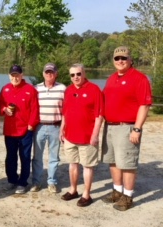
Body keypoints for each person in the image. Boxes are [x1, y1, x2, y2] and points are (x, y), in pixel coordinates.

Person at [101, 46, 152, 211]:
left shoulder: (139, 78)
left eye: (124, 58)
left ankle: (128, 196)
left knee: (128, 163)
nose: (120, 61)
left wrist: (137, 129)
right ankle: (117, 191)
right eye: (117, 58)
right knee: (113, 161)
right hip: (110, 126)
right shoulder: (111, 79)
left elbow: (144, 105)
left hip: (127, 126)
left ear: (131, 60)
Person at [59, 63, 103, 207]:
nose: (76, 77)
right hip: (70, 136)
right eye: (72, 75)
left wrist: (95, 135)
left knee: (87, 166)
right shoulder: (69, 90)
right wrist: (61, 130)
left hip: (87, 137)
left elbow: (99, 115)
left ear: (84, 74)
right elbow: (65, 113)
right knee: (72, 164)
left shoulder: (94, 89)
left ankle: (86, 194)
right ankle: (73, 190)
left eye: (78, 74)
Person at [0, 64, 39, 194]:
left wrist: (31, 125)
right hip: (10, 130)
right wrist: (4, 109)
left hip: (25, 130)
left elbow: (35, 109)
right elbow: (0, 105)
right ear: (9, 76)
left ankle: (22, 182)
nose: (15, 77)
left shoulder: (30, 89)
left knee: (25, 157)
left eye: (17, 75)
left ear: (22, 75)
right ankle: (12, 180)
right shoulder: (5, 89)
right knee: (10, 157)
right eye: (13, 75)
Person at [31, 63, 66, 193]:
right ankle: (36, 182)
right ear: (43, 74)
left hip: (55, 126)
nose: (49, 74)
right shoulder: (36, 88)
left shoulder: (62, 88)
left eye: (51, 72)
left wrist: (63, 128)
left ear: (56, 73)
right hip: (39, 126)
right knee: (37, 157)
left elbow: (66, 111)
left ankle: (52, 182)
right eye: (47, 72)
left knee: (54, 157)